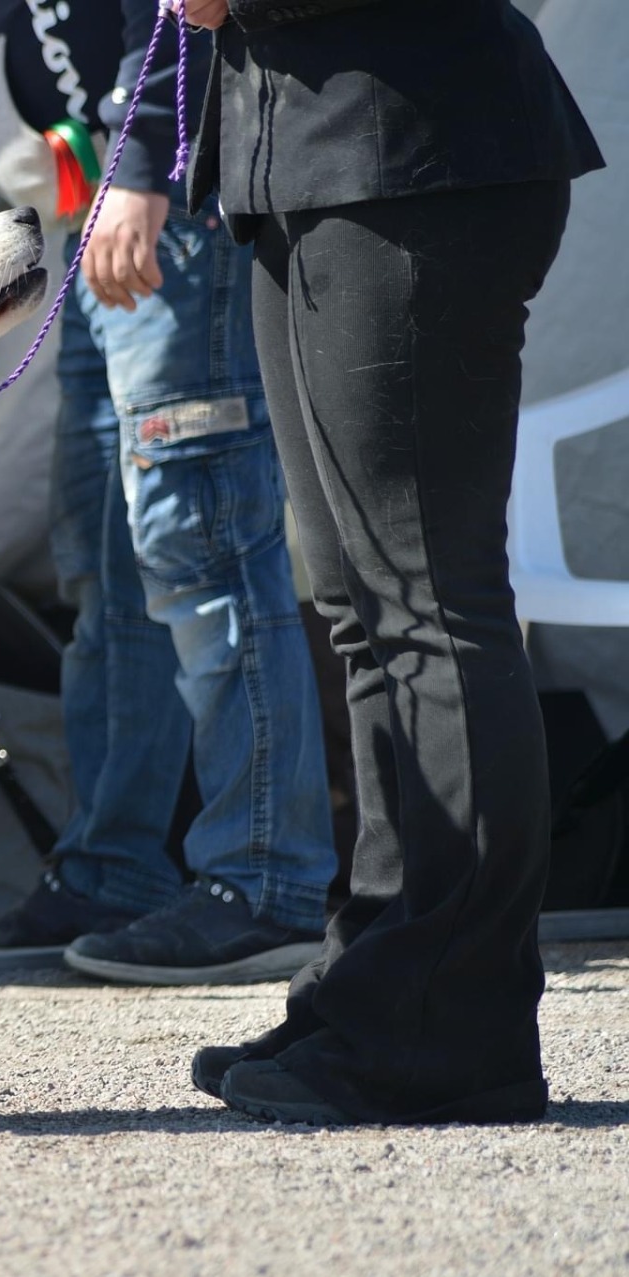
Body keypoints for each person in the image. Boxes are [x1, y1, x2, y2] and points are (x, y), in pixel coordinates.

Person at [178, 0, 604, 1124]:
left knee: (427, 604)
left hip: (411, 152)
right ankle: (376, 982)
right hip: (300, 159)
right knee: (364, 612)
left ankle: (446, 1026)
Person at [0, 0, 338, 984]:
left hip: (171, 210)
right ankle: (114, 865)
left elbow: (175, 16)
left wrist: (144, 160)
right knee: (111, 563)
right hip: (102, 219)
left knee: (201, 542)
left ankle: (267, 876)